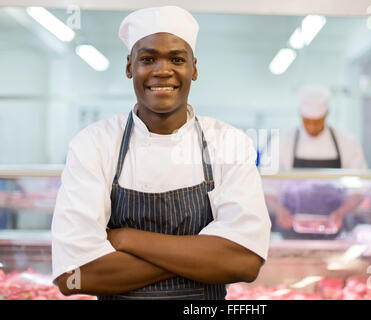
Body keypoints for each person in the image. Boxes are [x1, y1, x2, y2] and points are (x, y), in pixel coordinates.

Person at [51, 6, 271, 300]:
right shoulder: (93, 144)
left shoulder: (229, 143)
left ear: (194, 67)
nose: (162, 70)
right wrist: (204, 254)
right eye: (148, 59)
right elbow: (73, 276)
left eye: (177, 59)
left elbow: (244, 261)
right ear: (129, 66)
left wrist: (126, 238)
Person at [261, 85, 367, 239]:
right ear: (300, 115)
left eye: (318, 122)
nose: (312, 127)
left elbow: (359, 188)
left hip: (334, 232)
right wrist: (278, 211)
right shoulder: (282, 142)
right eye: (307, 121)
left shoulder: (347, 142)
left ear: (327, 114)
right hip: (291, 231)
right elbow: (267, 187)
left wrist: (341, 212)